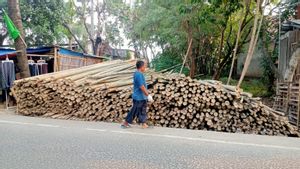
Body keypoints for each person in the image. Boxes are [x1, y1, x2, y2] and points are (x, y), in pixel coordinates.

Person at [121, 60, 153, 129]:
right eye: (144, 66)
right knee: (134, 110)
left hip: (142, 97)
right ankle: (125, 123)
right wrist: (148, 95)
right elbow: (141, 86)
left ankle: (143, 124)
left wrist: (146, 95)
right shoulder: (138, 74)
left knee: (142, 110)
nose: (145, 67)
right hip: (138, 97)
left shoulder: (140, 74)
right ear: (141, 67)